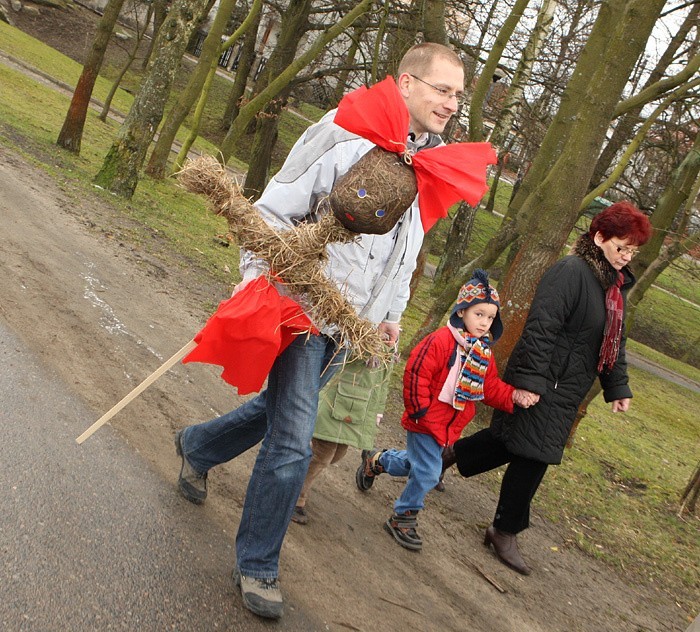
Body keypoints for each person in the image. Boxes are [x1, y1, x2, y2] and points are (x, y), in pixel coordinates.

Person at [173, 42, 467, 620]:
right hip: (300, 306)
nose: (452, 103)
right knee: (292, 438)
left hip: (348, 324)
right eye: (443, 89)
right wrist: (259, 282)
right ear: (406, 83)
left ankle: (197, 445)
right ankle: (258, 563)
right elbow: (275, 209)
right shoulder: (344, 131)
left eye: (458, 95)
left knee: (278, 412)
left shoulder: (425, 163)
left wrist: (389, 315)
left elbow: (402, 253)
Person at [442, 201, 652, 575]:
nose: (626, 257)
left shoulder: (612, 289)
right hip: (544, 382)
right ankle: (504, 529)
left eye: (632, 252)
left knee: (510, 441)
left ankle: (446, 455)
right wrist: (532, 382)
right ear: (599, 236)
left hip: (567, 389)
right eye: (622, 248)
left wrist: (618, 387)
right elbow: (541, 327)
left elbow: (613, 342)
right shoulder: (571, 271)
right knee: (534, 455)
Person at [355, 270, 538, 551]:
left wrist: (513, 395)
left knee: (415, 464)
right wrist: (419, 410)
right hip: (426, 419)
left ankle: (377, 461)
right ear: (462, 310)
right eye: (479, 314)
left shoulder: (481, 353)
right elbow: (417, 373)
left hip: (450, 426)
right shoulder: (441, 341)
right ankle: (403, 517)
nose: (484, 322)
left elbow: (488, 387)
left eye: (490, 318)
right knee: (429, 472)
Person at [290, 353, 395, 526]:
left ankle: (292, 466)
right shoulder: (370, 331)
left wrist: (377, 409)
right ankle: (295, 498)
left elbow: (383, 378)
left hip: (358, 407)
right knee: (322, 454)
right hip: (338, 398)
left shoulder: (391, 340)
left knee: (338, 453)